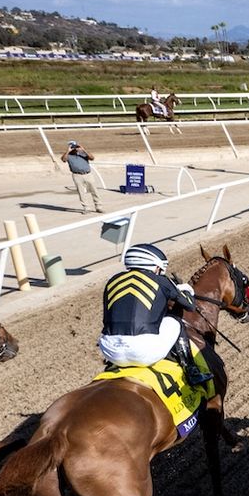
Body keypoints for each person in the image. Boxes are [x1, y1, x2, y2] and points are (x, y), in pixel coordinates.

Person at [98, 243, 211, 387]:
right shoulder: (162, 280)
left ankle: (111, 366)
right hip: (142, 352)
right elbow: (189, 305)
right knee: (174, 320)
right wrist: (186, 289)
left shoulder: (112, 281)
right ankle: (192, 371)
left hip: (110, 351)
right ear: (156, 267)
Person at [62, 141, 104, 213]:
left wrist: (83, 150)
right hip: (77, 175)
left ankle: (98, 207)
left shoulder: (83, 153)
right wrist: (68, 151)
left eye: (75, 146)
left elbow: (92, 158)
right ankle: (86, 208)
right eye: (72, 147)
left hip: (88, 174)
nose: (74, 148)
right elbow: (63, 159)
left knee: (94, 191)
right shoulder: (68, 155)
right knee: (81, 192)